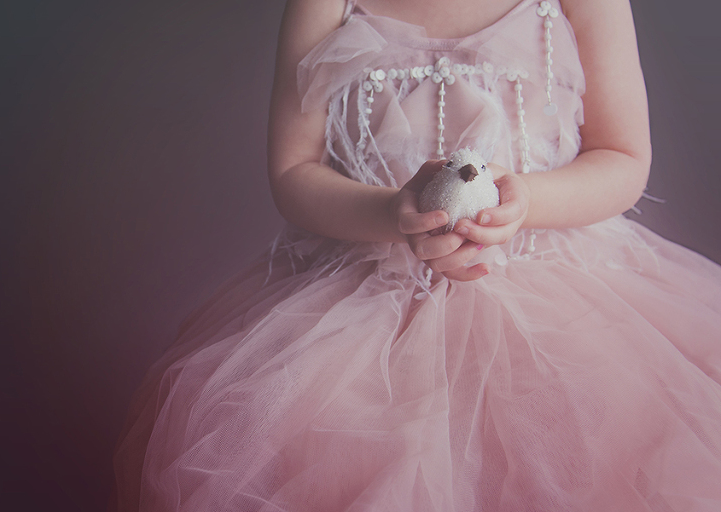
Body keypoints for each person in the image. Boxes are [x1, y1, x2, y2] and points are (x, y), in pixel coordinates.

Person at [112, 0, 721, 510]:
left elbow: (623, 157)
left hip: (560, 298)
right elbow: (293, 172)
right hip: (362, 313)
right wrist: (393, 215)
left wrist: (524, 200)